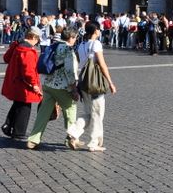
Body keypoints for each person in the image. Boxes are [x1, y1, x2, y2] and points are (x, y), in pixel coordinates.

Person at [26, 28, 81, 150]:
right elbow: (70, 71)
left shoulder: (53, 46)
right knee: (70, 109)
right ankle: (72, 138)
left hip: (47, 84)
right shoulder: (68, 50)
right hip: (61, 86)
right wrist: (74, 89)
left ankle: (33, 140)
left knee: (43, 113)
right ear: (71, 37)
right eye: (75, 37)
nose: (76, 40)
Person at [73, 23, 117, 152]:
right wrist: (110, 82)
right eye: (99, 29)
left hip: (83, 82)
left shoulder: (81, 45)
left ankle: (73, 131)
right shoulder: (96, 44)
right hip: (94, 83)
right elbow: (102, 65)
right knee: (97, 114)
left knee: (88, 112)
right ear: (96, 30)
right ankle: (94, 143)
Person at [1, 27, 43, 143]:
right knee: (25, 107)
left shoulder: (17, 45)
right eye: (37, 39)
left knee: (17, 104)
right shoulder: (27, 51)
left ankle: (8, 125)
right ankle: (19, 132)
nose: (37, 42)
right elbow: (28, 71)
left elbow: (6, 58)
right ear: (33, 37)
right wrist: (34, 85)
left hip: (15, 80)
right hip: (24, 84)